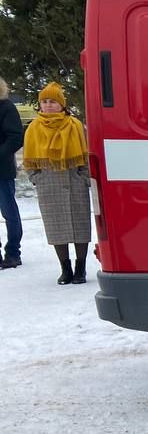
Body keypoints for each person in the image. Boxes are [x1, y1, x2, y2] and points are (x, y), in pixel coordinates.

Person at [21, 83, 91, 284]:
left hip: (74, 180)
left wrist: (83, 177)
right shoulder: (34, 128)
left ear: (61, 104)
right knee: (56, 228)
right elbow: (29, 158)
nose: (48, 105)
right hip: (48, 183)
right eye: (44, 101)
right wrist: (37, 179)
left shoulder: (75, 125)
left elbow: (87, 153)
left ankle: (80, 268)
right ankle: (65, 268)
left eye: (53, 101)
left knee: (80, 226)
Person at [0, 79, 23, 270]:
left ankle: (13, 252)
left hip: (2, 170)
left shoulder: (6, 107)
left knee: (9, 213)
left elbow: (16, 137)